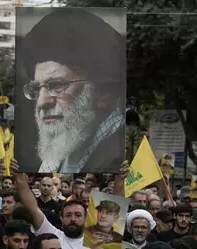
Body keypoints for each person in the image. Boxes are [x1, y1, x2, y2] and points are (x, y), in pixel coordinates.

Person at [19, 8, 125, 173]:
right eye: (37, 89)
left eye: (56, 86)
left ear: (102, 92)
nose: (42, 102)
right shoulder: (65, 149)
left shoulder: (117, 155)